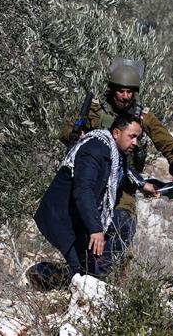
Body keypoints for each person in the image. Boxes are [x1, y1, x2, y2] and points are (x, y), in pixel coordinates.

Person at [59, 58, 173, 264]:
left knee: (122, 229)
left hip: (125, 183)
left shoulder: (143, 117)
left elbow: (169, 146)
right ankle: (80, 273)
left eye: (130, 92)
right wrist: (80, 135)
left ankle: (118, 279)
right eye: (121, 91)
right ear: (112, 90)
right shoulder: (94, 111)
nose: (126, 97)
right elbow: (66, 132)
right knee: (85, 228)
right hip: (94, 179)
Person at [34, 114, 157, 278]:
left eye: (137, 137)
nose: (135, 142)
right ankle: (39, 274)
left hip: (78, 219)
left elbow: (124, 169)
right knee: (84, 274)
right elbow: (83, 190)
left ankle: (75, 278)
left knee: (90, 271)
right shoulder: (94, 150)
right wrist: (95, 229)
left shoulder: (113, 152)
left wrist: (143, 184)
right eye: (132, 136)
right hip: (62, 217)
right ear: (116, 133)